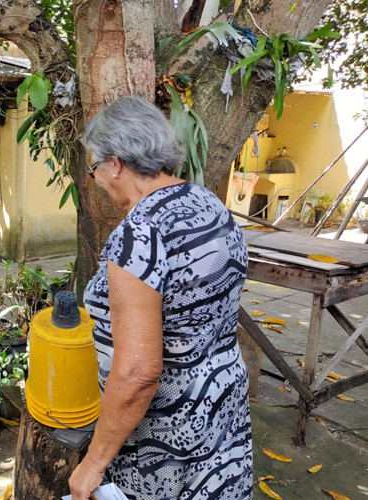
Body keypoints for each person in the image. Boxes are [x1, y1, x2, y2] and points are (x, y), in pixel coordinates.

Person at [68, 96, 252, 500]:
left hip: (164, 434)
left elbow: (138, 373)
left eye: (93, 167)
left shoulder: (140, 235)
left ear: (114, 164)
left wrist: (93, 463)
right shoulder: (208, 204)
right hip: (220, 404)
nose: (95, 178)